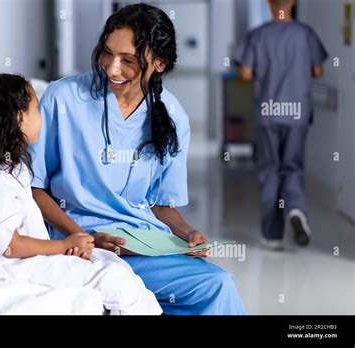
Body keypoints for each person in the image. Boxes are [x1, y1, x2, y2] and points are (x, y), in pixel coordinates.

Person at [30, 4, 247, 315]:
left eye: (128, 61)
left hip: (141, 246)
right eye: (107, 53)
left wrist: (187, 234)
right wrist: (81, 235)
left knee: (217, 284)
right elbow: (35, 188)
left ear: (159, 63)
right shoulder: (62, 98)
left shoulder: (172, 116)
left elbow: (159, 204)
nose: (111, 68)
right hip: (79, 244)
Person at [0, 73, 162, 315]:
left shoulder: (0, 167)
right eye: (35, 108)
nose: (40, 116)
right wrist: (62, 245)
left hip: (8, 258)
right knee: (112, 277)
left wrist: (66, 246)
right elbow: (10, 245)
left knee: (109, 265)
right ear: (17, 118)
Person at [233, 0, 328, 251]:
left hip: (268, 114)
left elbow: (244, 74)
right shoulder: (305, 34)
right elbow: (317, 71)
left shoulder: (257, 35)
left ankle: (272, 235)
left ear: (268, 4)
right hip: (296, 114)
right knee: (292, 167)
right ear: (293, 3)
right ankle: (295, 208)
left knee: (270, 172)